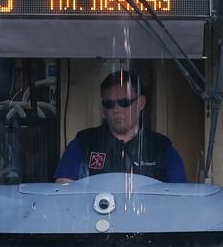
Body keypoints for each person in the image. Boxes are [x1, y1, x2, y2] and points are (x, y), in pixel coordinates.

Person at [54, 70, 188, 184]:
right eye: (109, 104)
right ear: (103, 109)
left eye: (124, 102)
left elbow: (180, 198)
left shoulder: (161, 148)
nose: (116, 109)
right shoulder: (83, 143)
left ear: (141, 103)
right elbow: (63, 193)